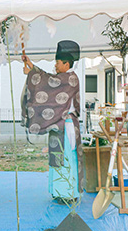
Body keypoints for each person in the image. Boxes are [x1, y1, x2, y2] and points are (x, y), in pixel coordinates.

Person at [21, 40, 83, 204]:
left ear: (66, 63)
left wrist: (32, 72)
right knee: (57, 159)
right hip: (58, 125)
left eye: (57, 62)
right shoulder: (63, 78)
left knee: (67, 159)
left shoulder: (70, 79)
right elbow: (48, 80)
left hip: (67, 125)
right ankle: (58, 191)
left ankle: (68, 193)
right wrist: (31, 68)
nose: (55, 65)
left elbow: (48, 82)